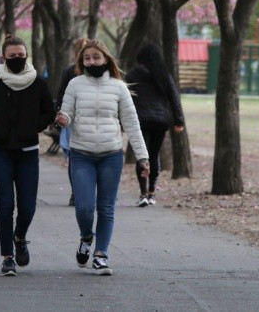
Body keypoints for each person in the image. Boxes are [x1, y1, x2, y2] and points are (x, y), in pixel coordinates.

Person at [55, 39, 149, 276]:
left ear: (106, 58)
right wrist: (64, 118)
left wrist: (143, 157)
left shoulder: (119, 87)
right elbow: (66, 111)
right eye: (87, 58)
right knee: (85, 207)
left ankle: (101, 255)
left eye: (96, 57)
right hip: (82, 154)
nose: (92, 61)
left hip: (111, 155)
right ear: (82, 61)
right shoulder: (75, 84)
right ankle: (86, 237)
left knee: (106, 208)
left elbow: (132, 124)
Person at [0, 34, 54, 276]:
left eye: (21, 55)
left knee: (28, 207)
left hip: (28, 152)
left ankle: (19, 237)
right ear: (3, 58)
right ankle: (7, 257)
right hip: (1, 151)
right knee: (5, 205)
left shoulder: (37, 82)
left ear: (26, 56)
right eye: (12, 56)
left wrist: (35, 127)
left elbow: (49, 110)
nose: (17, 59)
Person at [124, 43, 185, 207]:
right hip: (161, 121)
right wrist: (179, 121)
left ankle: (143, 193)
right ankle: (151, 192)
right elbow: (174, 98)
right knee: (154, 154)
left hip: (140, 120)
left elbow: (124, 97)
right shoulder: (163, 74)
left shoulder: (132, 75)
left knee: (142, 156)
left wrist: (122, 120)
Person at [55, 37, 89, 207]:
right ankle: (78, 192)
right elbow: (61, 95)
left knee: (75, 157)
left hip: (76, 119)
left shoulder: (71, 71)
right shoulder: (70, 71)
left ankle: (77, 192)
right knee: (78, 157)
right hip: (75, 119)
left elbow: (60, 95)